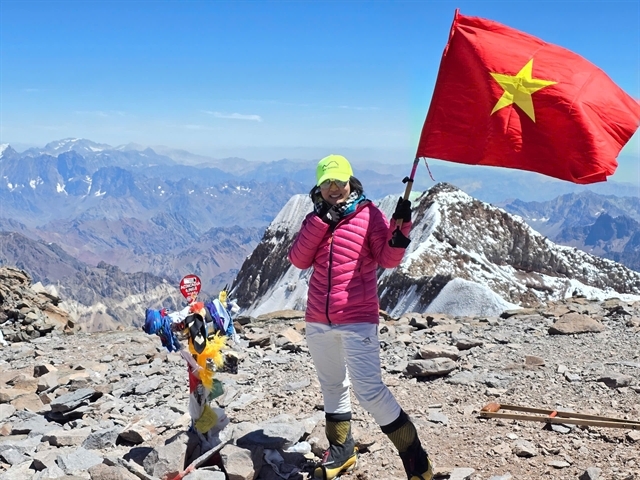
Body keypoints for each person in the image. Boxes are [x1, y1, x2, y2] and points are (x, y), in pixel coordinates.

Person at [288, 154, 433, 480]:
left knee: (369, 390)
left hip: (357, 320)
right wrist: (321, 221)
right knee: (332, 385)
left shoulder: (368, 214)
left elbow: (387, 257)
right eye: (327, 182)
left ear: (351, 182)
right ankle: (341, 452)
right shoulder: (316, 218)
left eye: (339, 181)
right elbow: (298, 259)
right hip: (318, 319)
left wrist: (400, 233)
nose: (334, 188)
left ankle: (415, 456)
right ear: (319, 186)